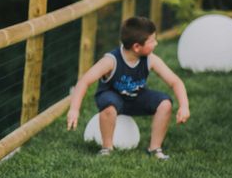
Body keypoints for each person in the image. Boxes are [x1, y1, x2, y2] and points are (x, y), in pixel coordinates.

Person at [67, 16, 190, 159]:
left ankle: (155, 148)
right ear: (137, 47)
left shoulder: (150, 59)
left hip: (136, 97)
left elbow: (175, 81)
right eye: (152, 41)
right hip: (112, 98)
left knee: (165, 104)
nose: (156, 43)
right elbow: (84, 81)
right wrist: (74, 109)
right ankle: (107, 148)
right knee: (109, 105)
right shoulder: (110, 61)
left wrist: (184, 105)